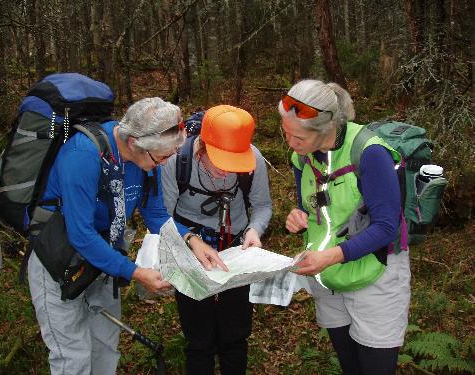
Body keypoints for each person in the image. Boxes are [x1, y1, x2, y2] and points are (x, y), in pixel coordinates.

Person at [27, 97, 227, 375]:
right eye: (162, 157)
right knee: (73, 356)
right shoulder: (83, 155)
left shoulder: (147, 162)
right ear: (134, 142)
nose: (164, 164)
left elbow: (156, 214)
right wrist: (135, 272)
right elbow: (81, 235)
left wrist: (192, 241)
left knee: (106, 348)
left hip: (105, 262)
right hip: (58, 261)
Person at [280, 80, 410, 375]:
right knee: (350, 366)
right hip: (329, 279)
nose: (290, 143)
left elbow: (387, 227)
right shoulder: (300, 158)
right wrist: (298, 217)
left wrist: (330, 256)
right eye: (286, 133)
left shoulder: (369, 153)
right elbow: (311, 206)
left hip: (376, 276)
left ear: (324, 129)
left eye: (297, 137)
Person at [161, 104, 272, 375]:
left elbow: (262, 205)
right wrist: (189, 239)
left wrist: (254, 230)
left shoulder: (253, 159)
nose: (227, 172)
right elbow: (161, 216)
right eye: (221, 161)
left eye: (235, 162)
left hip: (236, 248)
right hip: (191, 249)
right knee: (199, 338)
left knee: (235, 333)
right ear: (202, 147)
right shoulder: (176, 160)